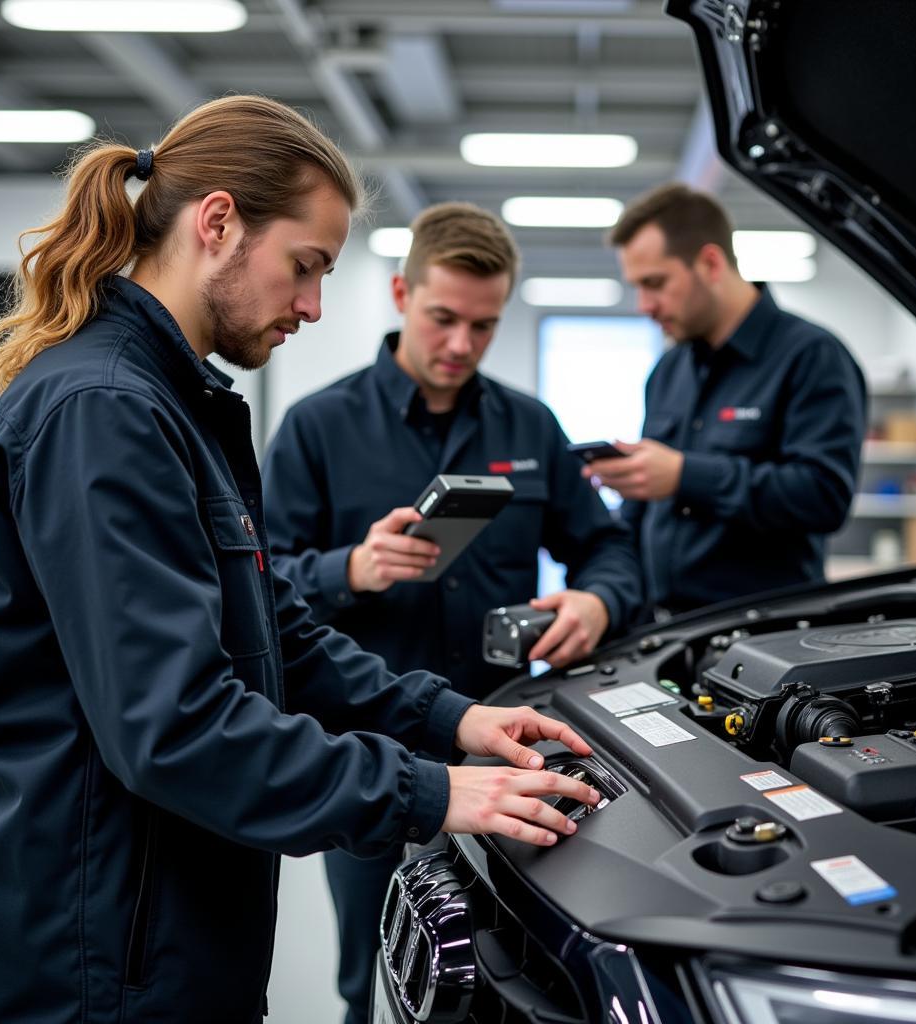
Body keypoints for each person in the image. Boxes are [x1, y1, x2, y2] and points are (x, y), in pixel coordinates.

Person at [0, 96, 602, 1024]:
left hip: (168, 923)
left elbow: (274, 629)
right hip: (101, 949)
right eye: (305, 268)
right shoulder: (103, 410)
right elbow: (174, 726)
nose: (312, 305)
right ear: (218, 221)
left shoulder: (176, 403)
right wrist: (430, 792)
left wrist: (453, 719)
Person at [262, 200, 642, 1023]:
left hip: (503, 736)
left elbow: (610, 548)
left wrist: (598, 597)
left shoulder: (530, 425)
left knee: (507, 966)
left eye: (485, 324)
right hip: (368, 751)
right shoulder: (316, 428)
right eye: (443, 318)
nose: (462, 344)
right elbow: (259, 584)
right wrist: (350, 568)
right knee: (368, 957)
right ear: (401, 294)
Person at [587, 182, 867, 615]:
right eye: (636, 287)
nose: (644, 305)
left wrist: (684, 476)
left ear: (710, 263)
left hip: (765, 637)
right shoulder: (668, 371)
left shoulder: (811, 356)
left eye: (655, 283)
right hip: (663, 633)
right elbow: (640, 515)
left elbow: (823, 496)